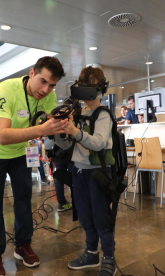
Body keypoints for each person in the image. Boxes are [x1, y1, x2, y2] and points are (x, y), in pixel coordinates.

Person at [0, 56, 68, 276]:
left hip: (19, 151)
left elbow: (48, 120)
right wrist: (43, 130)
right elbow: (2, 135)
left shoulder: (49, 95)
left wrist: (62, 121)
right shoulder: (5, 90)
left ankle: (22, 245)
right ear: (31, 73)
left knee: (23, 197)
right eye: (42, 81)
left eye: (52, 85)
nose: (46, 90)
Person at [55, 66, 117, 276]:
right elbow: (66, 146)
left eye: (88, 85)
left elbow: (99, 143)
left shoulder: (103, 114)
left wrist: (74, 131)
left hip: (97, 173)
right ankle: (91, 252)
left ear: (99, 88)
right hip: (78, 172)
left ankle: (108, 256)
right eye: (82, 85)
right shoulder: (77, 113)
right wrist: (57, 130)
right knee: (84, 215)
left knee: (101, 216)